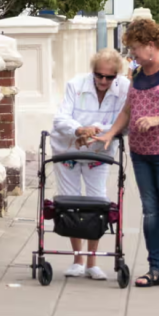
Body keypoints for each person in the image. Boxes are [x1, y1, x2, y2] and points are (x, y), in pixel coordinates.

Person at [93, 18, 159, 290]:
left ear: (151, 46)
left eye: (136, 49)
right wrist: (110, 133)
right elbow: (128, 110)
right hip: (141, 152)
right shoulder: (138, 74)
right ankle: (155, 269)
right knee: (151, 212)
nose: (132, 55)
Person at [52, 48, 131, 280]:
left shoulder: (124, 88)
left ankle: (92, 262)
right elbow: (60, 119)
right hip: (68, 149)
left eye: (110, 77)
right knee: (70, 201)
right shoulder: (76, 85)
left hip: (100, 152)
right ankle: (77, 258)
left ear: (117, 75)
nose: (103, 81)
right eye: (99, 75)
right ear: (93, 72)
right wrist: (79, 129)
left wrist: (96, 130)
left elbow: (124, 124)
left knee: (98, 202)